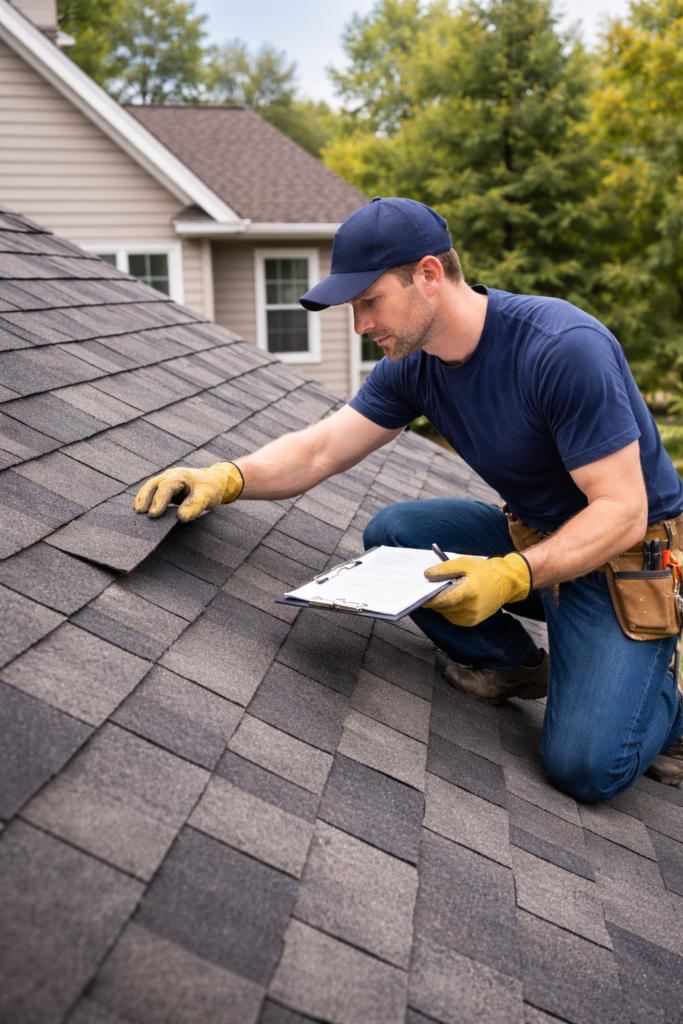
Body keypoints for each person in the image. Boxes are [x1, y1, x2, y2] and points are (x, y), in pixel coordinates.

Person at [133, 196, 683, 801]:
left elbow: (623, 509)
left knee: (584, 767)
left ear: (427, 275)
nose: (359, 324)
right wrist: (224, 478)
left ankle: (664, 706)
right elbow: (320, 450)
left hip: (621, 561)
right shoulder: (414, 364)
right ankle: (514, 667)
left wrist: (509, 576)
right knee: (394, 534)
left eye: (369, 301)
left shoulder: (561, 348)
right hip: (532, 540)